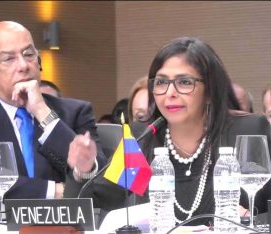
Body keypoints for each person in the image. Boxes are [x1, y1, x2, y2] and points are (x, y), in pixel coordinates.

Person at [64, 36, 271, 227]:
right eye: (161, 82)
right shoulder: (143, 137)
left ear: (209, 91)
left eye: (184, 82)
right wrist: (84, 170)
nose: (170, 93)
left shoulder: (247, 132)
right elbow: (96, 205)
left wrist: (249, 219)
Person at [0, 21, 105, 216]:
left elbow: (99, 180)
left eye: (28, 55)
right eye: (9, 59)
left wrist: (42, 112)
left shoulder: (76, 112)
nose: (24, 66)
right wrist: (57, 191)